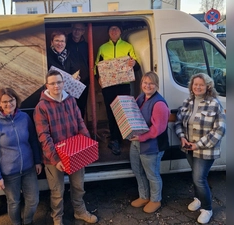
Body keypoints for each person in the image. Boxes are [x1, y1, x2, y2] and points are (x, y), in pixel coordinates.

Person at [33, 70, 98, 225]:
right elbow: (43, 136)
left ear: (63, 83)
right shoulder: (41, 107)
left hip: (75, 153)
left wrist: (87, 145)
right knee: (57, 192)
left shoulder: (70, 100)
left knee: (78, 186)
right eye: (53, 83)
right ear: (47, 85)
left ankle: (80, 212)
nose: (56, 86)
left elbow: (79, 122)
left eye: (59, 82)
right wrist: (55, 159)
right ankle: (57, 218)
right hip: (53, 158)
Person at [0, 88, 42, 225]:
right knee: (14, 202)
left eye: (11, 100)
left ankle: (28, 221)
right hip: (9, 174)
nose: (8, 104)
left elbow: (33, 140)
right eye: (4, 101)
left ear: (16, 100)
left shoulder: (24, 118)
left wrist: (38, 161)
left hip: (29, 169)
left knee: (33, 200)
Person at [174, 73, 226, 224]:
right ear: (191, 86)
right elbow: (178, 122)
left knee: (199, 178)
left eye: (201, 85)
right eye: (195, 84)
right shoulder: (187, 102)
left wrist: (198, 144)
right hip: (188, 147)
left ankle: (207, 208)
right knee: (195, 175)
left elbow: (220, 130)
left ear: (208, 86)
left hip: (205, 149)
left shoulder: (214, 103)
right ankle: (198, 198)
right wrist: (182, 137)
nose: (197, 87)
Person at [95, 23, 141, 155]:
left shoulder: (128, 46)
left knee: (124, 112)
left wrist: (134, 63)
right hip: (108, 85)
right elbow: (97, 65)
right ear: (108, 32)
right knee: (111, 112)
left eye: (116, 29)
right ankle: (115, 140)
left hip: (123, 84)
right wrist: (98, 77)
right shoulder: (103, 48)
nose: (114, 31)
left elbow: (136, 66)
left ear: (120, 32)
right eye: (111, 29)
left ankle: (125, 137)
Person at [129, 71, 170, 214]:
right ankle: (144, 196)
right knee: (138, 171)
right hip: (136, 142)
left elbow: (157, 129)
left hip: (152, 145)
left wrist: (140, 138)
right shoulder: (141, 97)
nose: (147, 85)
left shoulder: (159, 104)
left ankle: (155, 200)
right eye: (145, 82)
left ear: (156, 85)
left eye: (151, 83)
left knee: (152, 174)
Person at [67, 23, 90, 118]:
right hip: (68, 81)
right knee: (68, 107)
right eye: (75, 29)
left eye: (80, 29)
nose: (77, 31)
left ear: (83, 31)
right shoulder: (65, 43)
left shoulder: (86, 45)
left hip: (83, 81)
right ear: (72, 29)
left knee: (81, 106)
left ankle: (80, 131)